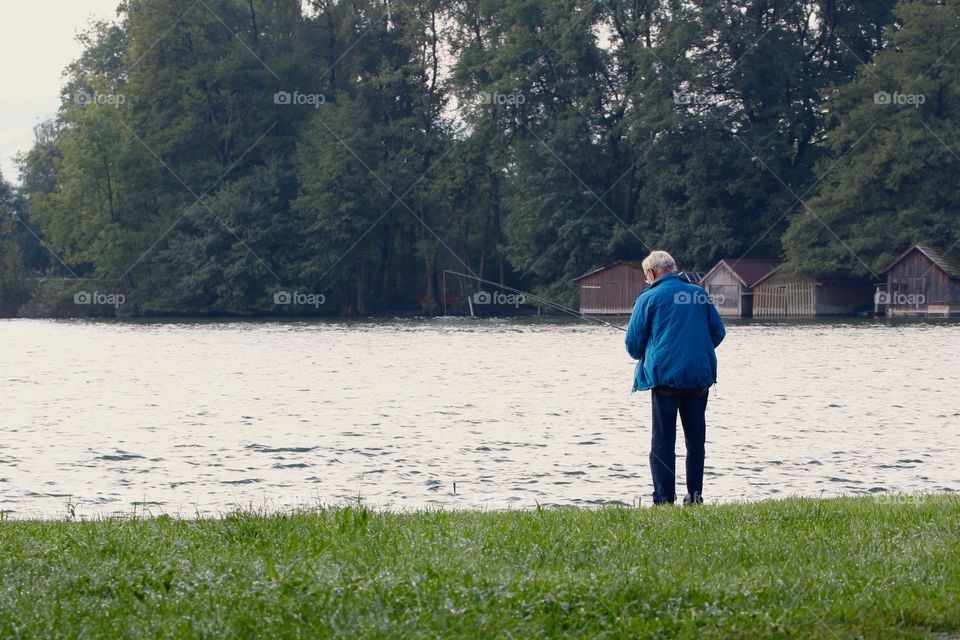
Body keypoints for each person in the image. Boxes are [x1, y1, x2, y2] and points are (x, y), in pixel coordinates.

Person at [625, 250, 725, 505]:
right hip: (698, 376)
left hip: (665, 378)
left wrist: (654, 350)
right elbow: (718, 332)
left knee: (663, 441)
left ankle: (663, 499)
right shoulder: (698, 294)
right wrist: (695, 350)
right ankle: (694, 497)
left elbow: (633, 345)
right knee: (696, 441)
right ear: (672, 268)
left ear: (651, 273)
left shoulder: (649, 297)